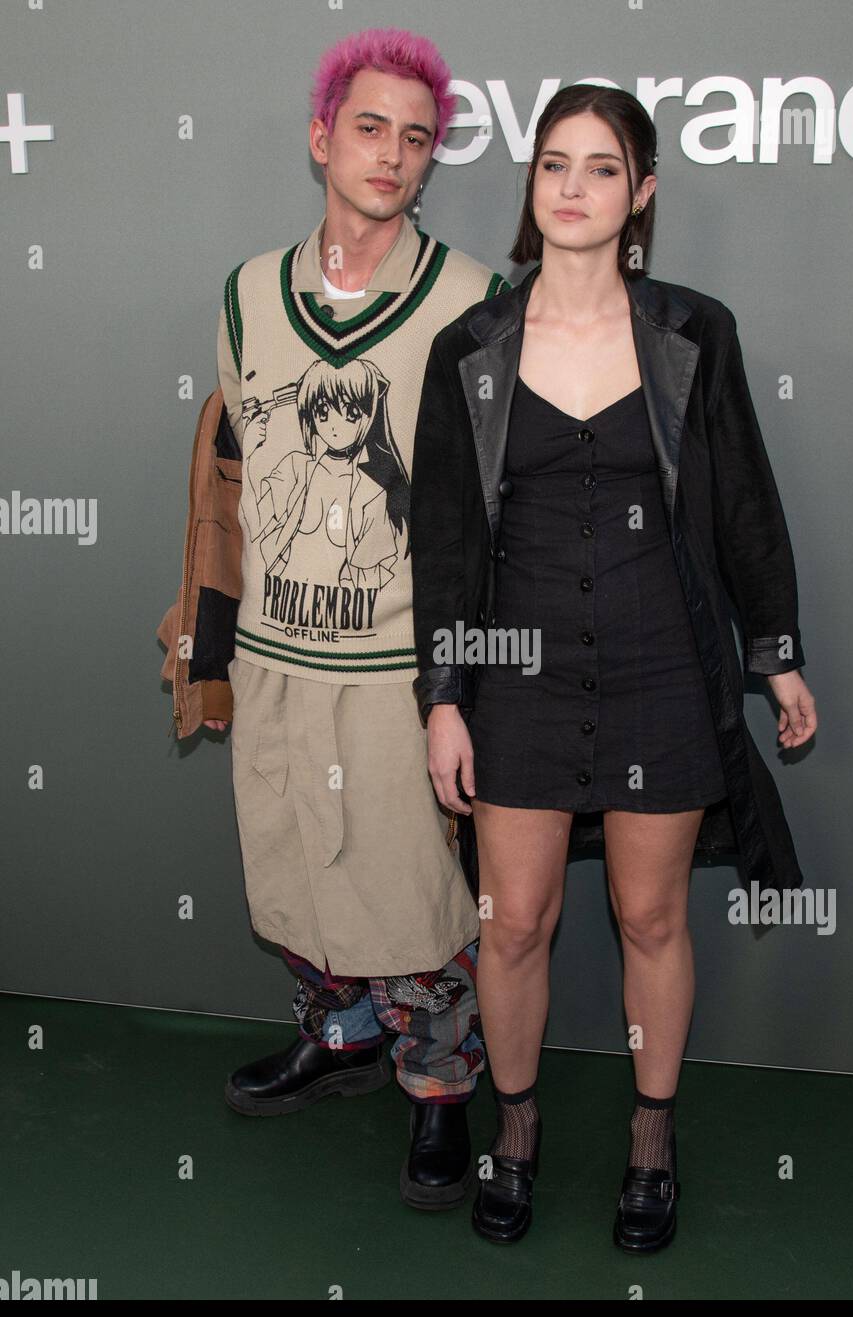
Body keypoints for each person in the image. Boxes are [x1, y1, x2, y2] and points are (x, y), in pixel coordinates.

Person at [410, 84, 817, 1248]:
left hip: (661, 667)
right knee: (516, 923)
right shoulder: (472, 348)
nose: (573, 188)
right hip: (514, 674)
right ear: (531, 189)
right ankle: (519, 1128)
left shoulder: (697, 333)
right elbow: (442, 541)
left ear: (642, 193)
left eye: (600, 167)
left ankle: (650, 1136)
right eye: (553, 166)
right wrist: (444, 699)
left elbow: (743, 501)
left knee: (650, 917)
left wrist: (777, 657)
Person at [204, 26, 510, 1210]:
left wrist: (465, 682)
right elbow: (236, 463)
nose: (391, 155)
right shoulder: (244, 292)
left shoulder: (476, 298)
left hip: (397, 666)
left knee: (411, 899)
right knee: (286, 875)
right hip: (279, 647)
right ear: (323, 135)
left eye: (416, 138)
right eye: (370, 128)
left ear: (434, 162)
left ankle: (441, 1095)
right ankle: (339, 1040)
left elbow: (494, 506)